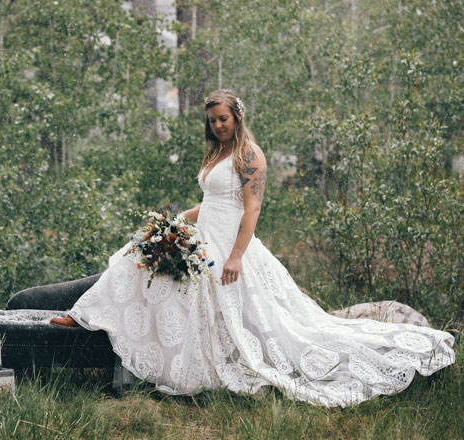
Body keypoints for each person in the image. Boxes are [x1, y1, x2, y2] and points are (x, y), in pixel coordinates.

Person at [50, 89, 455, 407]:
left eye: (223, 119)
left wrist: (237, 256)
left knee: (265, 321)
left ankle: (100, 325)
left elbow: (251, 207)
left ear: (237, 117)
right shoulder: (217, 152)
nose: (217, 126)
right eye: (212, 121)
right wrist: (174, 220)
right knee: (138, 252)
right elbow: (210, 202)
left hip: (228, 243)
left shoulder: (249, 154)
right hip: (203, 233)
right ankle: (86, 317)